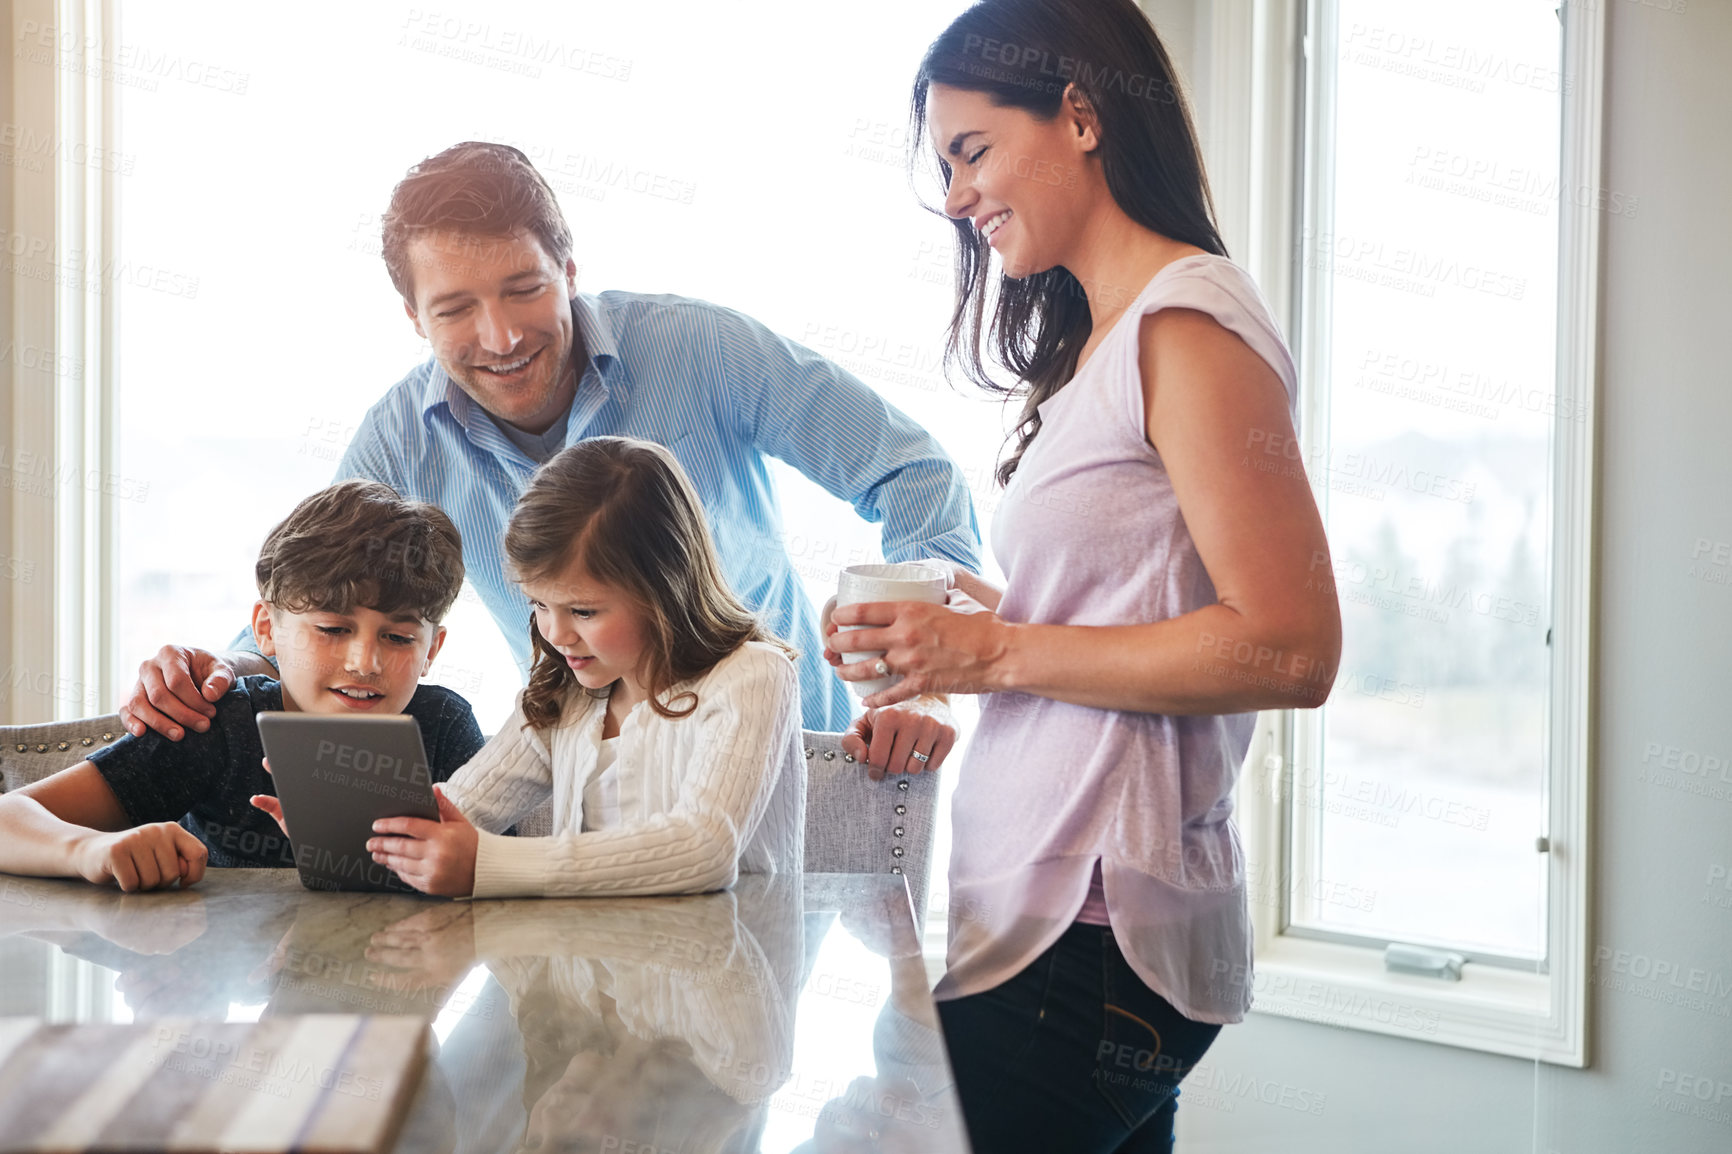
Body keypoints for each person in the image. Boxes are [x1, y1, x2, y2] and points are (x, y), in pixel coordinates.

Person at [824, 2, 1344, 1149]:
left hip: (1096, 930)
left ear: (1078, 112)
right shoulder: (1104, 344)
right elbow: (1140, 612)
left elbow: (1290, 644)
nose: (954, 197)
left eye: (970, 151)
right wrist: (966, 622)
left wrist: (999, 650)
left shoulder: (1190, 321)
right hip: (1053, 921)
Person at [118, 142, 980, 776]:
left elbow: (913, 475)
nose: (501, 337)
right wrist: (218, 670)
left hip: (791, 766)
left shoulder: (703, 348)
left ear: (568, 268)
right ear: (415, 319)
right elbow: (316, 600)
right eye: (456, 307)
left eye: (525, 289)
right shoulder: (400, 440)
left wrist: (916, 672)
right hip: (588, 781)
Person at [346, 437, 803, 899]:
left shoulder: (754, 676)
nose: (556, 634)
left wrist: (489, 862)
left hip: (728, 960)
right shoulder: (567, 696)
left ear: (664, 590)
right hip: (588, 962)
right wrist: (349, 835)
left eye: (583, 611)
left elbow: (704, 850)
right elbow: (460, 809)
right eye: (539, 604)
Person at [0, 481, 483, 892]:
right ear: (266, 629)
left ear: (432, 651)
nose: (364, 662)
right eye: (333, 630)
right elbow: (8, 817)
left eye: (398, 638)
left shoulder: (444, 727)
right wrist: (90, 848)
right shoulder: (221, 726)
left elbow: (500, 870)